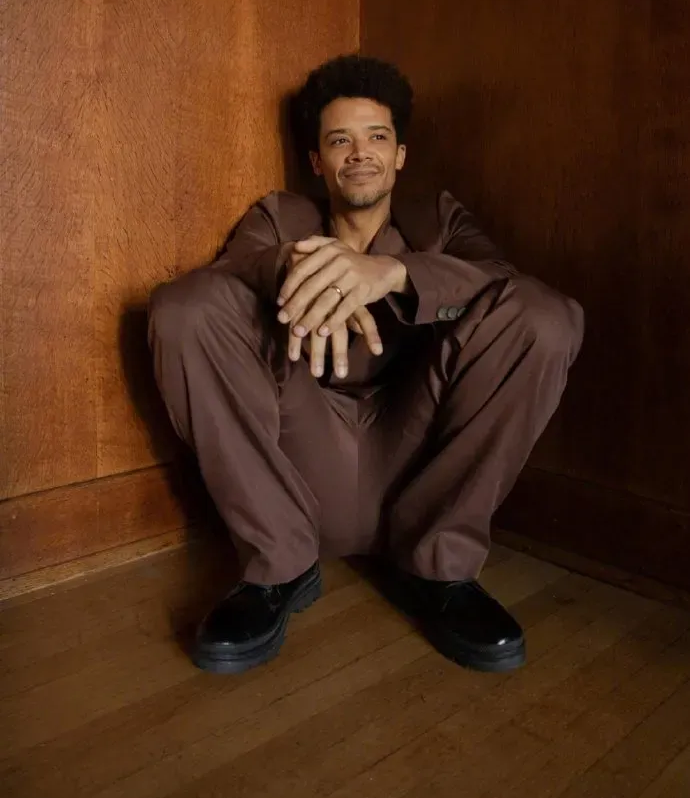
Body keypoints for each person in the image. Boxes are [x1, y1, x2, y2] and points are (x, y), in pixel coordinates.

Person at [147, 55, 583, 676]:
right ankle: (278, 569)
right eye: (339, 140)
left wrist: (392, 274)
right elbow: (228, 277)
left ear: (399, 155)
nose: (360, 153)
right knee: (184, 308)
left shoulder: (438, 220)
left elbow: (501, 281)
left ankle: (441, 570)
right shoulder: (280, 218)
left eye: (377, 136)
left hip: (415, 457)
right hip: (302, 459)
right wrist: (299, 268)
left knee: (547, 317)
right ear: (316, 160)